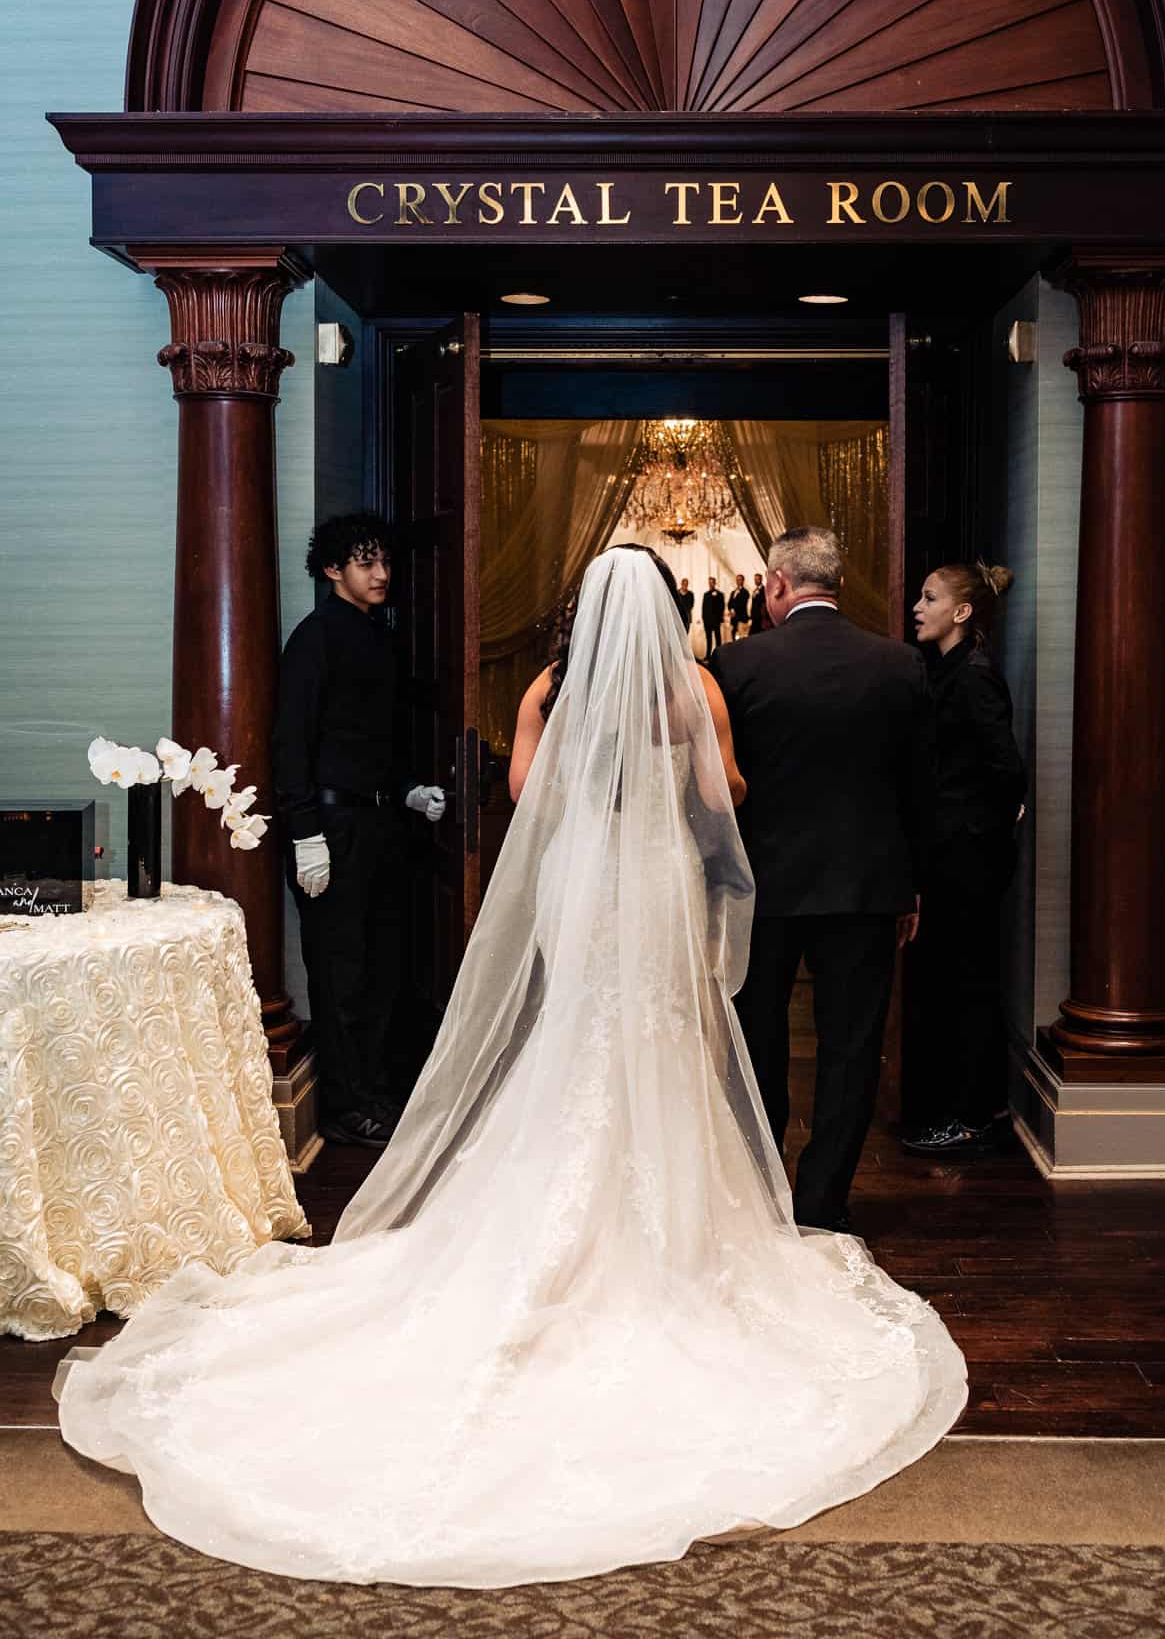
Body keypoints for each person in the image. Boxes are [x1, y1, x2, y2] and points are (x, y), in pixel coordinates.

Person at [55, 546, 965, 1589]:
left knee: (574, 1038)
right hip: (655, 882)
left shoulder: (550, 684)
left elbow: (529, 791)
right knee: (661, 1040)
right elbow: (729, 794)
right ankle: (674, 1236)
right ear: (666, 613)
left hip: (587, 888)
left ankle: (533, 1225)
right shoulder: (695, 685)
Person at [712, 527, 934, 1231]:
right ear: (834, 582)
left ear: (777, 584)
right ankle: (822, 1199)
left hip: (762, 887)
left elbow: (718, 790)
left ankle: (763, 1188)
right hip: (865, 887)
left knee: (758, 1041)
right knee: (850, 1046)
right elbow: (919, 789)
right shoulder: (899, 664)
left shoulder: (736, 662)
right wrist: (911, 886)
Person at [271, 513, 447, 1150]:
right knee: (340, 971)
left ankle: (373, 1091)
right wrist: (304, 833)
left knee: (380, 966)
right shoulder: (314, 639)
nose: (381, 574)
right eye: (366, 563)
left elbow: (375, 740)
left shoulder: (379, 636)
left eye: (385, 562)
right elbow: (292, 743)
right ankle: (347, 1107)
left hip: (378, 823)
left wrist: (408, 789)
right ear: (332, 569)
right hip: (332, 827)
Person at [902, 561, 1027, 1158]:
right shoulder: (946, 670)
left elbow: (1006, 770)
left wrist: (985, 832)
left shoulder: (974, 675)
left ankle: (975, 1118)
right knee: (954, 981)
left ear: (962, 611)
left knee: (967, 982)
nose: (916, 607)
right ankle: (970, 1108)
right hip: (950, 855)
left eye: (929, 598)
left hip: (966, 860)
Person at [700, 574, 726, 659]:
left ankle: (719, 655)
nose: (711, 584)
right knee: (708, 638)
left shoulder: (720, 594)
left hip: (716, 620)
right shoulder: (706, 594)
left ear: (715, 583)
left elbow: (722, 607)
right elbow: (703, 607)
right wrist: (703, 618)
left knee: (718, 638)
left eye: (712, 582)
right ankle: (708, 655)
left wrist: (720, 618)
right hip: (707, 620)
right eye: (709, 582)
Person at [727, 572, 751, 640]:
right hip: (734, 618)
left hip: (741, 617)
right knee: (733, 634)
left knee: (742, 637)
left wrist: (735, 610)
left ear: (743, 581)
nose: (738, 581)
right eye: (737, 579)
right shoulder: (733, 592)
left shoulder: (745, 592)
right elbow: (729, 603)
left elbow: (742, 604)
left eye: (740, 579)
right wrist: (731, 609)